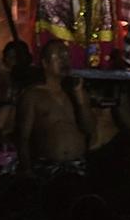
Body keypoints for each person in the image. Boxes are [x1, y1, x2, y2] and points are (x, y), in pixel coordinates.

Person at [17, 40, 93, 179]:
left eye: (67, 56)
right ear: (45, 63)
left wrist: (80, 98)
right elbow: (23, 137)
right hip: (47, 168)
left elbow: (88, 129)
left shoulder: (76, 92)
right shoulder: (33, 96)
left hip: (77, 166)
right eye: (58, 57)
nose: (64, 61)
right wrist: (27, 170)